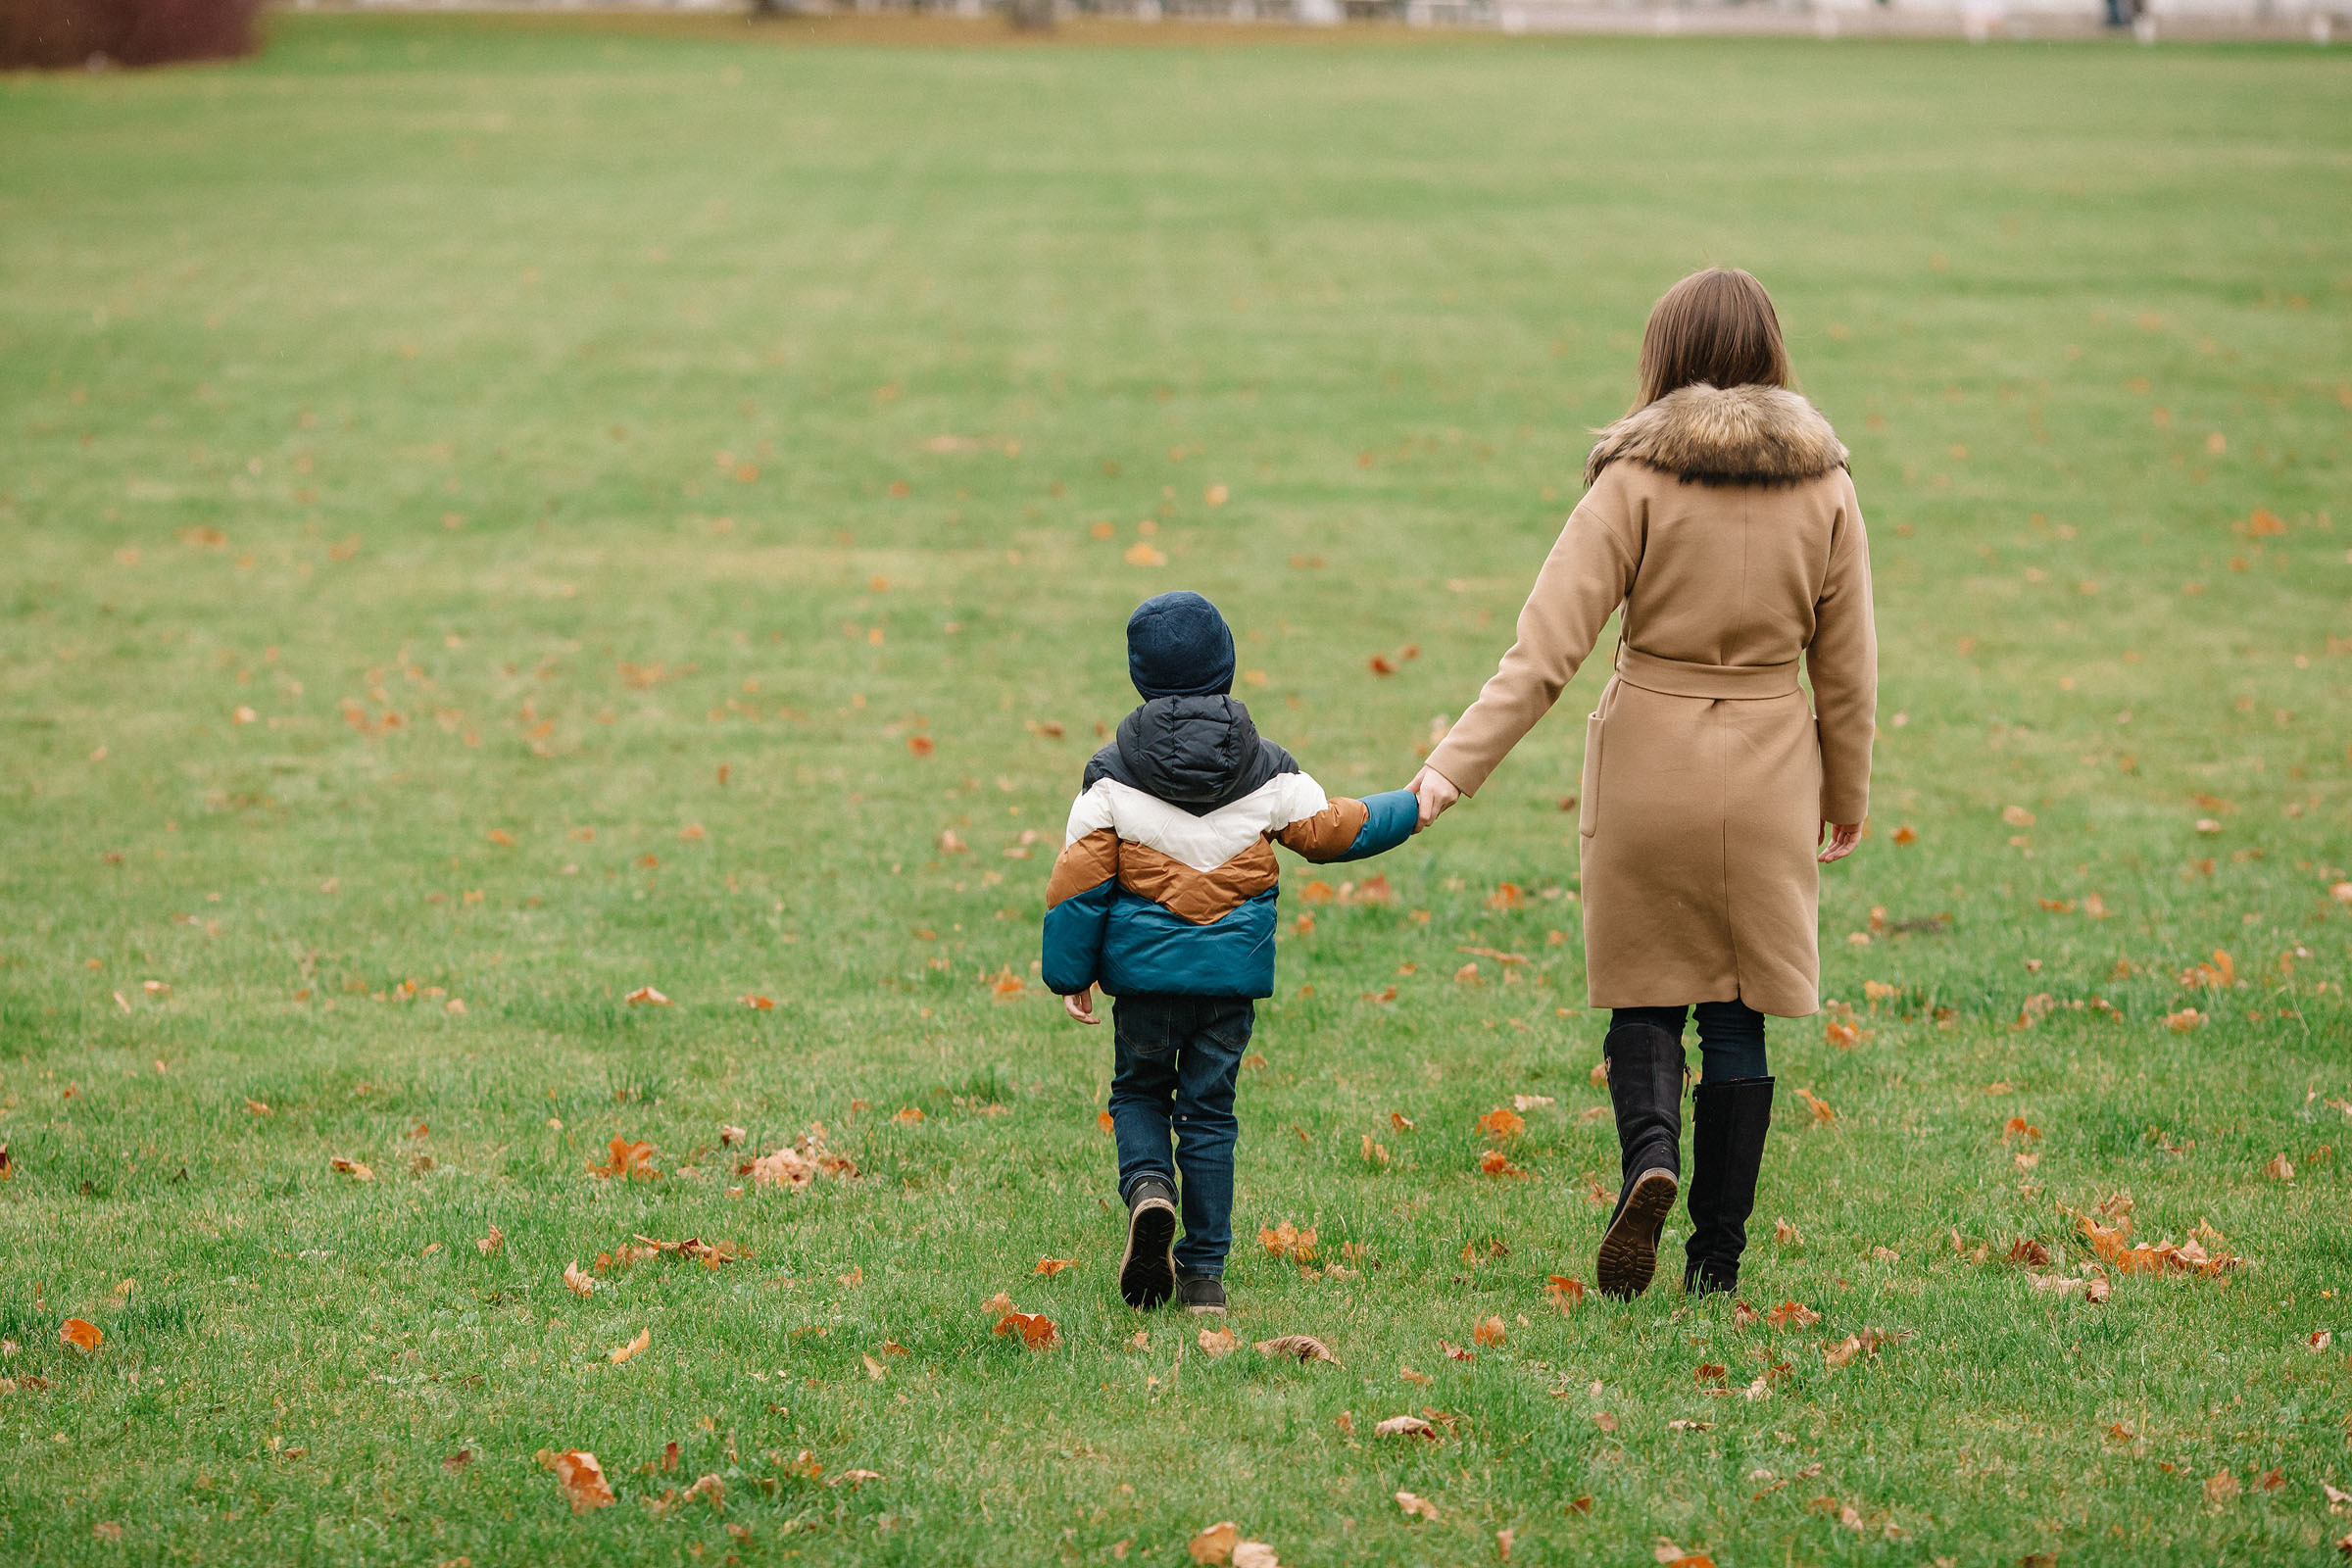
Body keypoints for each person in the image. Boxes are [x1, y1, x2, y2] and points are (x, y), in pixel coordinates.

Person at [1409, 268, 1877, 1301]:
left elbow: (1542, 654)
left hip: (1648, 766)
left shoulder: (1632, 481)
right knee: (1741, 1010)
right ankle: (1717, 1261)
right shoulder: (1828, 489)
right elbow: (1846, 666)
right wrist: (1847, 792)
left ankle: (1648, 1158)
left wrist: (1450, 770)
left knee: (1646, 989)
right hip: (1768, 771)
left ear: (1663, 357)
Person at [1043, 591, 1420, 1315]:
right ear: (1226, 667)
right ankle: (1204, 1280)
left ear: (1141, 678)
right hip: (1227, 987)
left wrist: (1072, 974)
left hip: (1146, 987)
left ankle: (1151, 1189)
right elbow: (1339, 831)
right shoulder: (1268, 768)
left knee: (1140, 1092)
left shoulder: (1110, 772)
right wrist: (1413, 802)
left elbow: (1078, 883)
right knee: (1210, 1116)